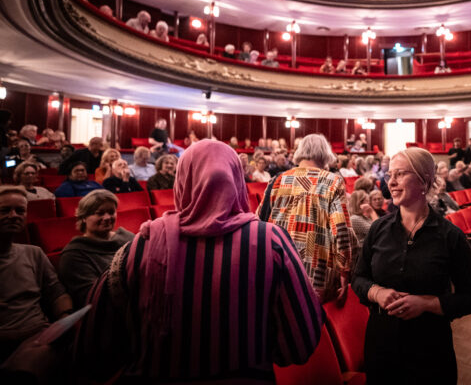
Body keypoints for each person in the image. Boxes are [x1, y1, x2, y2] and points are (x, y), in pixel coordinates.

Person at [75, 140, 324, 382]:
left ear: (182, 182)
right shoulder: (271, 241)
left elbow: (92, 345)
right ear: (237, 181)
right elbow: (301, 342)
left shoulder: (140, 245)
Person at [352, 147, 471, 384]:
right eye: (390, 175)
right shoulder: (378, 230)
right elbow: (358, 278)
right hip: (381, 344)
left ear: (424, 180)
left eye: (400, 174)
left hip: (429, 349)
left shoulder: (450, 236)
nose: (391, 182)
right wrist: (376, 292)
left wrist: (427, 303)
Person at [259, 134, 354, 303]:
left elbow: (259, 221)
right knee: (310, 322)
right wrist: (344, 270)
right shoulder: (333, 182)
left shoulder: (278, 180)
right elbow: (340, 230)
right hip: (315, 268)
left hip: (278, 263)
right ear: (325, 154)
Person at [0, 186, 73, 362]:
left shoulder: (34, 253)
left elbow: (57, 294)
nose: (13, 215)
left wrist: (65, 320)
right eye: (4, 210)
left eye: (20, 211)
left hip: (39, 335)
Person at [58, 190, 134, 307]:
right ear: (83, 217)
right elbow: (93, 297)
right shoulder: (74, 254)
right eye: (100, 213)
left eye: (111, 212)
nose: (107, 217)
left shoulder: (128, 237)